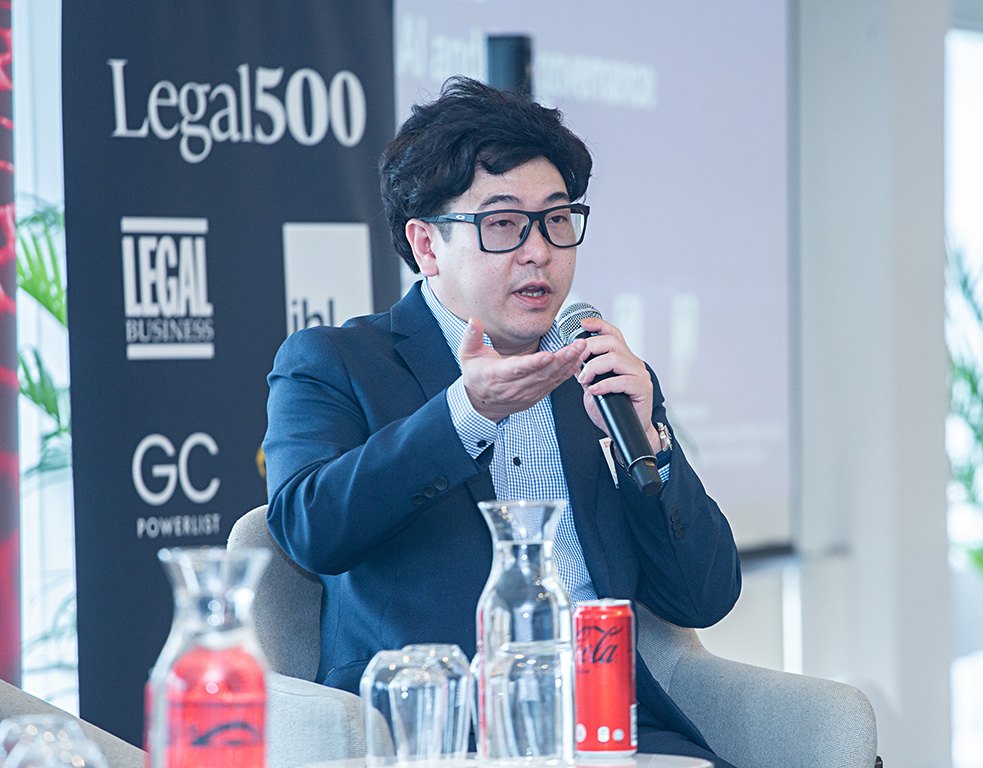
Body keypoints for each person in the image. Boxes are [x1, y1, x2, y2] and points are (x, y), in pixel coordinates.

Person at [263, 76, 741, 766]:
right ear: (426, 245)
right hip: (439, 736)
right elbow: (309, 529)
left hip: (611, 733)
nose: (538, 250)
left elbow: (702, 597)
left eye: (556, 219)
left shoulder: (600, 373)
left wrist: (651, 445)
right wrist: (467, 413)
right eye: (503, 224)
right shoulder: (337, 362)